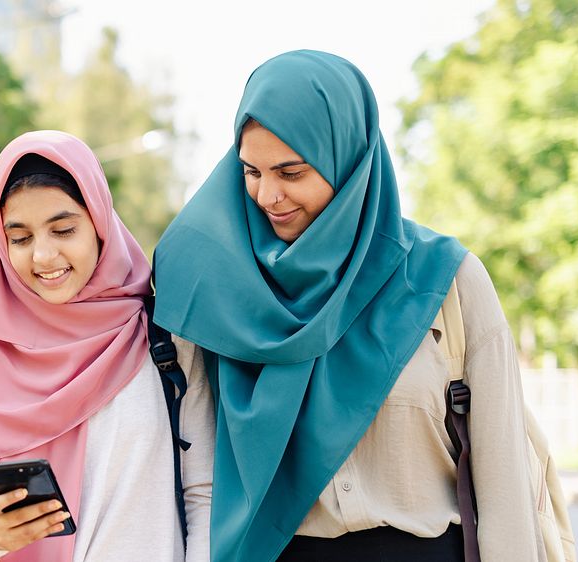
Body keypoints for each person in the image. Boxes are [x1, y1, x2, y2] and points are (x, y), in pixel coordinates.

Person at [151, 50, 544, 561]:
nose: (267, 195)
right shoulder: (218, 289)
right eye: (251, 171)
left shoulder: (444, 279)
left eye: (291, 172)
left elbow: (503, 480)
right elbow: (189, 471)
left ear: (351, 161)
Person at [0, 130, 214, 562]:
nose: (44, 257)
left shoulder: (162, 336)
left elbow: (203, 492)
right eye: (21, 238)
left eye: (63, 229)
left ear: (100, 223)